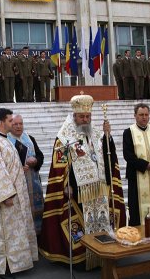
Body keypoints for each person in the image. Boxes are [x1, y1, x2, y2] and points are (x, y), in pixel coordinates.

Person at [39, 95, 126, 270]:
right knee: (82, 224)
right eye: (82, 116)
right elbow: (59, 164)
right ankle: (83, 259)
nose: (85, 119)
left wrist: (108, 136)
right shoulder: (64, 136)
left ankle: (103, 255)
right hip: (78, 191)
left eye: (88, 116)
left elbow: (108, 157)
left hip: (99, 188)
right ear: (74, 116)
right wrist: (66, 185)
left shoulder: (97, 133)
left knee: (101, 221)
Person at [0, 108, 38, 279]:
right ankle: (3, 267)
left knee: (15, 232)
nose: (12, 123)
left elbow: (9, 166)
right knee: (4, 233)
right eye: (9, 120)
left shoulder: (5, 141)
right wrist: (6, 195)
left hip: (16, 195)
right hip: (7, 198)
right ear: (2, 122)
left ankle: (18, 262)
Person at [8, 115, 44, 235]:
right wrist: (18, 168)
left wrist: (36, 160)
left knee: (36, 213)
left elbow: (40, 155)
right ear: (10, 125)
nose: (19, 126)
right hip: (17, 185)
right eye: (15, 124)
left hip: (33, 183)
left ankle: (38, 237)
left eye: (21, 124)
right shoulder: (6, 141)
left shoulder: (30, 139)